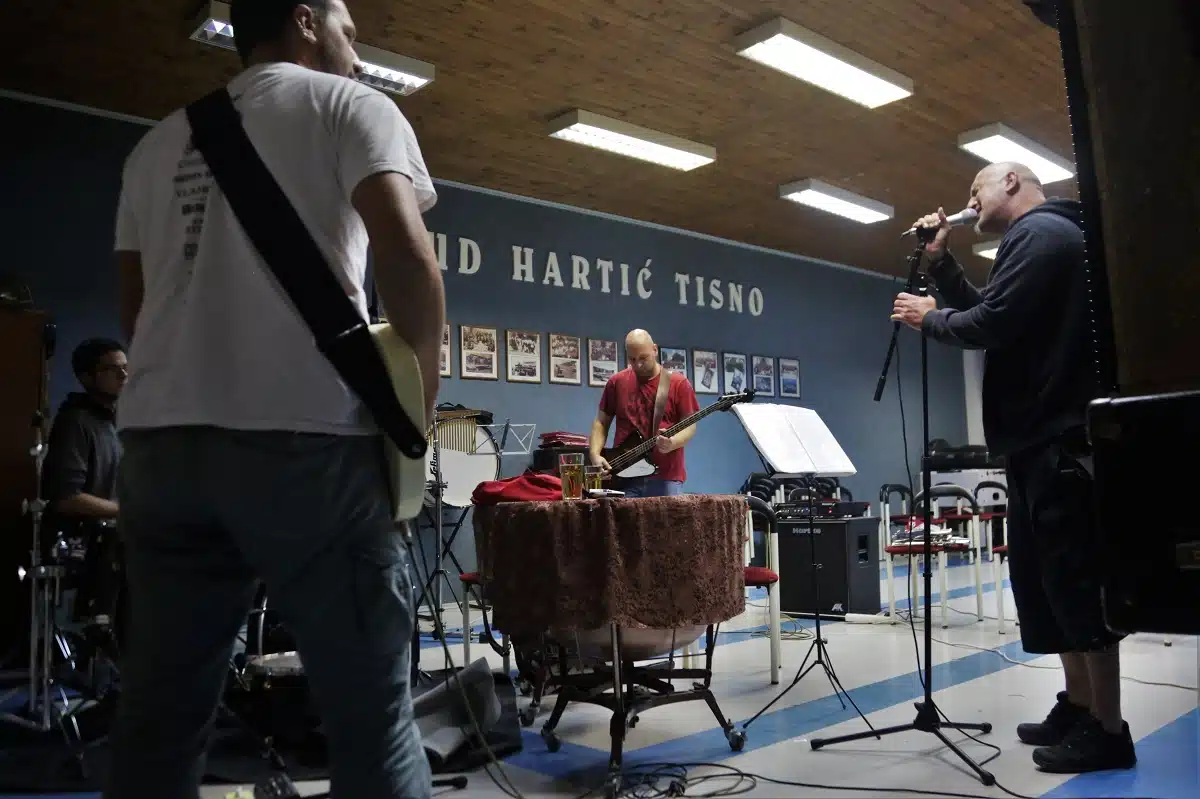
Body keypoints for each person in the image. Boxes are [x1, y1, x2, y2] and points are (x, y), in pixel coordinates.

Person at [107, 0, 444, 797]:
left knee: (159, 716)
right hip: (307, 444)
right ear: (305, 20)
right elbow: (407, 259)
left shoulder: (153, 146)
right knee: (371, 719)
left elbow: (137, 308)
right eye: (349, 31)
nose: (357, 52)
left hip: (160, 449)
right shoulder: (353, 106)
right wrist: (414, 419)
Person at [891, 161, 1134, 774]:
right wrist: (943, 265)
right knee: (1047, 586)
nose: (969, 200)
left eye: (976, 188)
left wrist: (930, 318)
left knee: (1076, 587)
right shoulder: (1035, 240)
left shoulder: (1042, 233)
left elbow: (991, 324)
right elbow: (999, 315)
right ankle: (1080, 706)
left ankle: (1109, 730)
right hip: (1034, 443)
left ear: (1010, 183)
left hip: (1058, 442)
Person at [42, 338, 126, 627]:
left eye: (125, 368)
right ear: (86, 377)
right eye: (112, 369)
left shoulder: (113, 423)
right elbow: (67, 498)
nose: (123, 376)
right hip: (86, 548)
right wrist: (129, 511)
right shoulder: (75, 422)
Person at [588, 329, 700, 497]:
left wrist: (673, 442)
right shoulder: (616, 382)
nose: (638, 365)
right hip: (623, 477)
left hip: (665, 478)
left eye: (643, 358)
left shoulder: (678, 383)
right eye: (632, 359)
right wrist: (595, 454)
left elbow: (690, 425)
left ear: (655, 349)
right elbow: (601, 422)